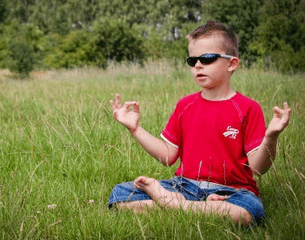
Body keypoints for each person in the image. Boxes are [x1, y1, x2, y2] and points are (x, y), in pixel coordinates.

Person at [108, 21, 291, 225]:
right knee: (120, 195)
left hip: (232, 191)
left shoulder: (247, 108)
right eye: (192, 60)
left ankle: (171, 204)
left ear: (232, 63)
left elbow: (257, 168)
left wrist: (271, 137)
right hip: (184, 187)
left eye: (207, 58)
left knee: (248, 212)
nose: (198, 65)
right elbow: (168, 155)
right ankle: (192, 207)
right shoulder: (185, 105)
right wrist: (135, 129)